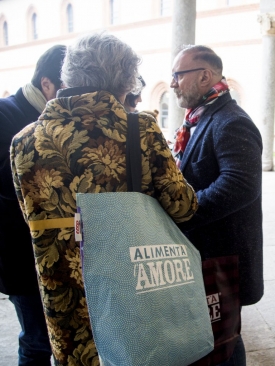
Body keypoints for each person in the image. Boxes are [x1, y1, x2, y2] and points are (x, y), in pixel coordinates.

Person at [10, 33, 198, 366]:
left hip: (65, 303)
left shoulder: (23, 141)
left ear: (69, 76)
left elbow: (30, 214)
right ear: (125, 80)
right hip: (132, 294)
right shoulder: (139, 128)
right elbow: (182, 206)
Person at [170, 45, 263, 366]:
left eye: (178, 75)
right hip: (208, 253)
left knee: (223, 341)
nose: (172, 84)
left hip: (225, 258)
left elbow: (239, 185)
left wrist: (183, 212)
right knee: (216, 336)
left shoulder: (230, 120)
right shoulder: (203, 117)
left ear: (205, 76)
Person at [0, 44, 66, 366]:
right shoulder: (5, 113)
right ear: (46, 84)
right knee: (38, 341)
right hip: (20, 258)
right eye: (68, 89)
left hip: (59, 254)